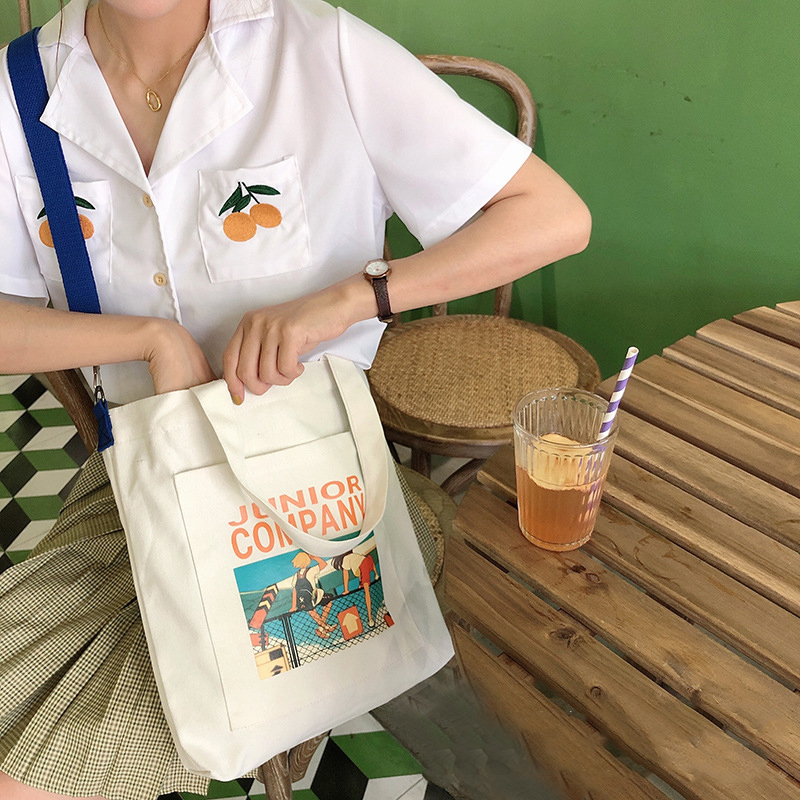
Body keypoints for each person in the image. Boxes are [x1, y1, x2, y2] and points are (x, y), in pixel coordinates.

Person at [0, 0, 591, 798]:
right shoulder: (21, 90)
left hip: (327, 504)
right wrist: (147, 339)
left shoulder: (318, 48)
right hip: (134, 490)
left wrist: (352, 297)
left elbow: (553, 217)